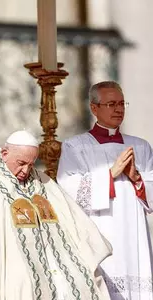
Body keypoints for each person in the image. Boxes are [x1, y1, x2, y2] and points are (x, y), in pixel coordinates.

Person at [0, 130, 112, 300]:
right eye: (21, 163)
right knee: (25, 282)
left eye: (31, 164)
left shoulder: (40, 180)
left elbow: (71, 216)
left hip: (50, 255)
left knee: (79, 277)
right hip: (3, 255)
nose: (26, 171)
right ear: (4, 153)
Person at [57, 80, 153, 300]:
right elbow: (67, 190)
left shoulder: (141, 146)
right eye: (111, 104)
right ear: (94, 108)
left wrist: (136, 178)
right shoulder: (75, 146)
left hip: (133, 233)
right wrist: (110, 174)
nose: (119, 109)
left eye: (121, 103)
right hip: (100, 230)